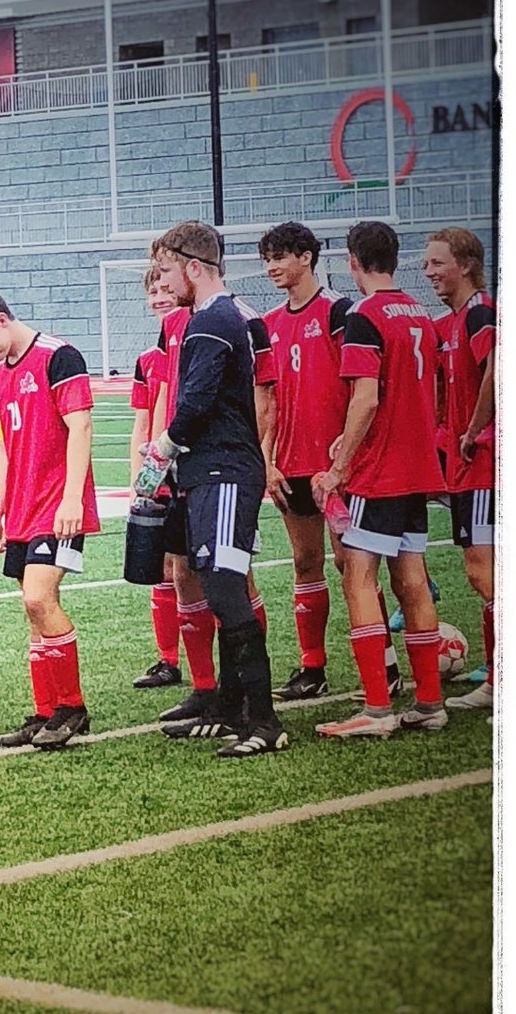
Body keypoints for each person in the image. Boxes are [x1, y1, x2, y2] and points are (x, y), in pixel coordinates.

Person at [136, 221, 288, 757]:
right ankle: (228, 705)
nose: (163, 280)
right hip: (210, 471)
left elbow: (196, 403)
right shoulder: (213, 319)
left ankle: (263, 720)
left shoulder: (213, 320)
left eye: (168, 270)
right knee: (214, 584)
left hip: (225, 471)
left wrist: (160, 452)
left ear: (194, 268)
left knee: (224, 588)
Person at [257, 222, 406, 702]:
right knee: (305, 562)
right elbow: (268, 400)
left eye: (280, 257)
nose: (272, 267)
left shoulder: (340, 312)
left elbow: (362, 388)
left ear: (306, 258)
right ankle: (312, 667)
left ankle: (385, 667)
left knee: (351, 564)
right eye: (267, 259)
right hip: (290, 465)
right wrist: (267, 460)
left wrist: (346, 456)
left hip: (338, 468)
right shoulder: (269, 323)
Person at [0, 286, 101, 748]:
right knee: (32, 610)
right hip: (21, 508)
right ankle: (44, 710)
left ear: (1, 320)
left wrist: (73, 499)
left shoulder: (59, 357)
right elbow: (1, 449)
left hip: (57, 507)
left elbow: (81, 426)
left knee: (39, 599)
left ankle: (72, 707)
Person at [313, 221, 447, 737]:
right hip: (418, 467)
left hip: (380, 471)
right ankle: (429, 703)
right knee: (412, 579)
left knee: (358, 578)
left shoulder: (364, 315)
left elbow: (366, 398)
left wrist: (340, 465)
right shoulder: (421, 314)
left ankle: (376, 709)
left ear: (353, 261)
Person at [423, 227, 496, 712]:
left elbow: (497, 367)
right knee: (481, 573)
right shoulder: (451, 321)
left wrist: (474, 429)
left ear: (466, 265)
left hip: (484, 462)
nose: (428, 272)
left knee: (484, 572)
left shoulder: (480, 313)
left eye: (437, 263)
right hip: (466, 464)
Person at [128, 266, 183, 691]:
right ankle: (169, 660)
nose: (160, 298)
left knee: (210, 570)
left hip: (196, 469)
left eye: (166, 289)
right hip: (159, 472)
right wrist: (140, 480)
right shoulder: (147, 360)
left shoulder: (195, 343)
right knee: (163, 568)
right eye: (153, 292)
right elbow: (142, 424)